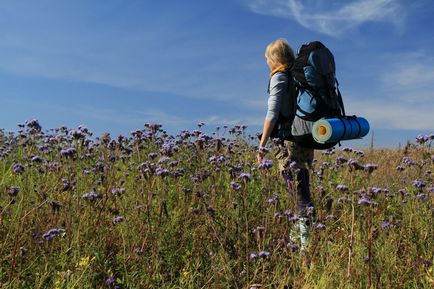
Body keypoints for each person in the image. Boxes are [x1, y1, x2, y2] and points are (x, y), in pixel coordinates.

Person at [256, 38, 315, 250]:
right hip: (306, 140)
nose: (266, 62)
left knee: (299, 196)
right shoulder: (298, 77)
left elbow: (272, 112)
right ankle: (296, 241)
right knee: (301, 192)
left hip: (289, 143)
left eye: (266, 58)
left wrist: (262, 145)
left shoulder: (280, 76)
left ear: (274, 58)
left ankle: (305, 249)